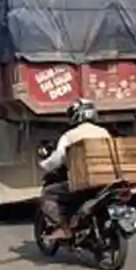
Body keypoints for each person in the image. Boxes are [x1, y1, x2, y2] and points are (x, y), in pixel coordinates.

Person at [37, 98, 111, 241]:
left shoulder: (70, 135)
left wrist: (44, 166)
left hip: (84, 182)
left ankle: (64, 229)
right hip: (106, 180)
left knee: (48, 193)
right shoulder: (104, 132)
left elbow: (58, 158)